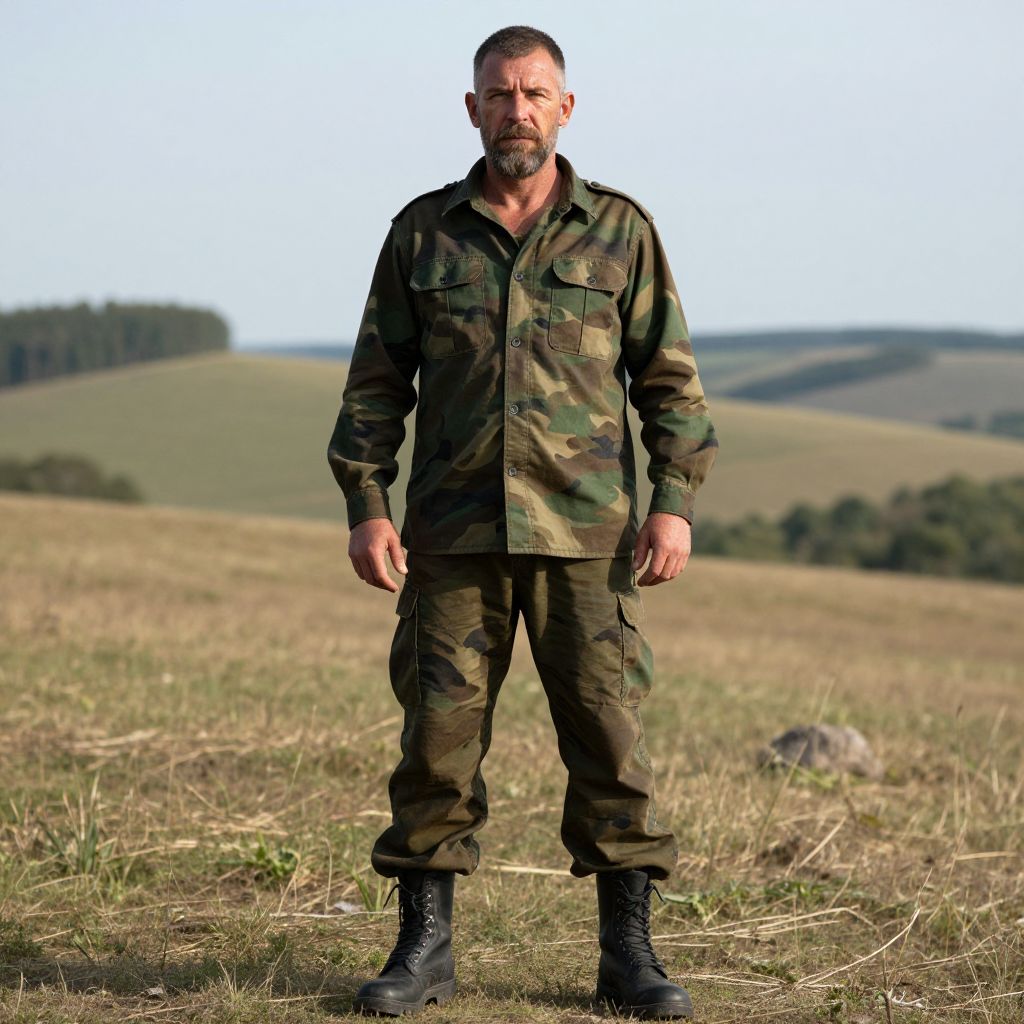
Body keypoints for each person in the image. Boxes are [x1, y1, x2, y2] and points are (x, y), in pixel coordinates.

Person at [327, 25, 718, 1019]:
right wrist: (367, 506)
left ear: (565, 108)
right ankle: (423, 954)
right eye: (499, 94)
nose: (517, 111)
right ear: (473, 109)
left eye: (535, 93)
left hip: (588, 541)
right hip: (451, 540)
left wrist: (672, 504)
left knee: (610, 742)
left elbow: (670, 385)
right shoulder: (424, 234)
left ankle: (628, 958)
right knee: (436, 745)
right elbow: (375, 386)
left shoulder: (620, 232)